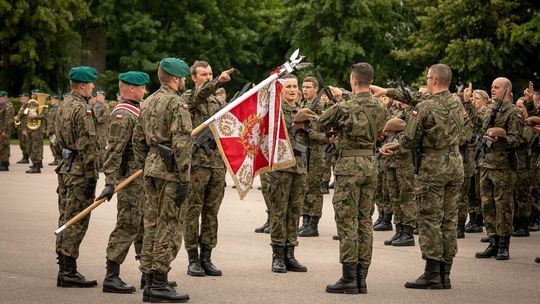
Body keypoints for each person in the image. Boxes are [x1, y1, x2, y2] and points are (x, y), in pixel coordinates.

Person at [372, 63, 464, 289]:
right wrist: (386, 91)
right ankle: (445, 273)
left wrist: (393, 145)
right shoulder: (457, 102)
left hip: (433, 166)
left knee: (430, 218)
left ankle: (432, 273)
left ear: (433, 80)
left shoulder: (424, 108)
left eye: (427, 78)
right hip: (454, 163)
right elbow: (416, 97)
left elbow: (410, 139)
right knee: (449, 218)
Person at [320, 63, 385, 294]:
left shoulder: (343, 107)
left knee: (347, 222)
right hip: (370, 164)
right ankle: (361, 278)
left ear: (353, 80)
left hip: (348, 166)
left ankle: (349, 279)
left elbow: (321, 123)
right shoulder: (380, 106)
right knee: (365, 221)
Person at [132, 58, 191, 303]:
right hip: (171, 172)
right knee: (169, 225)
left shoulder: (147, 102)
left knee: (152, 224)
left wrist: (146, 163)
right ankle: (159, 283)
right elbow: (182, 141)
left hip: (152, 167)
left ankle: (148, 278)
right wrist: (185, 176)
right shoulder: (177, 104)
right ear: (176, 78)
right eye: (183, 77)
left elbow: (138, 139)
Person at [95, 71, 149, 294]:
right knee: (127, 225)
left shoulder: (137, 110)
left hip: (142, 179)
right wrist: (110, 182)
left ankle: (149, 275)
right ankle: (111, 276)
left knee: (145, 228)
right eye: (143, 87)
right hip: (130, 181)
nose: (145, 91)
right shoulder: (123, 114)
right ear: (132, 89)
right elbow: (114, 151)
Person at [181, 61, 233, 277]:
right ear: (193, 77)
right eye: (203, 74)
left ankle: (207, 257)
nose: (208, 77)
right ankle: (192, 258)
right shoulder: (188, 98)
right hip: (196, 164)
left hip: (215, 164)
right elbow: (199, 96)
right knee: (192, 211)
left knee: (212, 212)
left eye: (210, 74)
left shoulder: (216, 102)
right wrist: (216, 82)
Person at [55, 66, 100, 288]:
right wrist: (92, 175)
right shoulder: (83, 110)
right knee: (77, 219)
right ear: (82, 85)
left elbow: (55, 140)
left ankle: (63, 265)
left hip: (65, 167)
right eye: (91, 83)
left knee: (65, 216)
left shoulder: (63, 106)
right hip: (80, 170)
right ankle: (69, 271)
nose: (93, 87)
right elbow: (88, 145)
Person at [266, 74, 314, 274]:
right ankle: (277, 256)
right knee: (279, 212)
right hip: (280, 169)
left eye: (295, 86)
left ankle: (290, 253)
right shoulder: (275, 111)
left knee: (295, 212)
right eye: (289, 87)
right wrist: (294, 125)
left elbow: (311, 136)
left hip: (299, 168)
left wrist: (327, 137)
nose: (293, 90)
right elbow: (271, 135)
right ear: (281, 90)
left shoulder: (303, 110)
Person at [475, 77, 523, 261]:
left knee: (503, 205)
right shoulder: (490, 109)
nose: (492, 90)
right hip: (486, 164)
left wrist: (502, 139)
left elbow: (518, 140)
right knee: (487, 204)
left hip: (503, 167)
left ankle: (504, 244)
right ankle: (493, 241)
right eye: (492, 87)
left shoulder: (514, 113)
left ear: (508, 90)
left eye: (497, 87)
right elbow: (479, 127)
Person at [298, 76, 327, 237]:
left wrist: (307, 129)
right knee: (304, 186)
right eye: (304, 86)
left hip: (315, 151)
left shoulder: (319, 106)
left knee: (314, 188)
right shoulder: (303, 104)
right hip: (304, 150)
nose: (305, 89)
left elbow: (321, 127)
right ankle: (305, 220)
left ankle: (313, 223)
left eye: (309, 87)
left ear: (316, 89)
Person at [94, 90, 110, 171]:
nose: (97, 97)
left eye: (99, 95)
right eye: (97, 95)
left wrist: (95, 119)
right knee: (97, 147)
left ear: (103, 97)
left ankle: (103, 164)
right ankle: (98, 164)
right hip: (96, 130)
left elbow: (105, 117)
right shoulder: (95, 106)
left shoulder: (105, 106)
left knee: (103, 148)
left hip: (103, 130)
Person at [0, 91, 14, 171]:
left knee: (4, 147)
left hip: (4, 130)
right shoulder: (2, 105)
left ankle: (4, 165)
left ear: (5, 97)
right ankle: (2, 163)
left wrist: (4, 131)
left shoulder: (8, 106)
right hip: (1, 129)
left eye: (1, 97)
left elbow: (8, 120)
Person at [47, 95, 62, 166]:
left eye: (52, 100)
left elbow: (58, 121)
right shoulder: (52, 109)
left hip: (55, 131)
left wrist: (56, 132)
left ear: (56, 101)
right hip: (51, 130)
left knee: (56, 145)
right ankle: (56, 159)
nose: (51, 101)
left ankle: (59, 159)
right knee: (52, 145)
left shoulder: (58, 109)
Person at [15, 92, 30, 163]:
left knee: (25, 143)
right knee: (21, 143)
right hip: (20, 127)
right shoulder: (23, 106)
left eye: (23, 98)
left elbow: (28, 119)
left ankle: (26, 157)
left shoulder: (28, 107)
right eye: (21, 98)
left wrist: (26, 129)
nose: (22, 100)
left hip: (24, 128)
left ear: (27, 98)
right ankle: (24, 156)